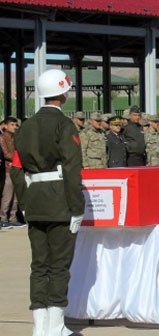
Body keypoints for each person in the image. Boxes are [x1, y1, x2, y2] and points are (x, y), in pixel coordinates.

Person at [10, 68, 85, 336]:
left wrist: (25, 201)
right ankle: (55, 327)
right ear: (62, 93)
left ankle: (39, 327)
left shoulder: (25, 126)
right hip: (60, 204)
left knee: (39, 265)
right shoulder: (64, 126)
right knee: (59, 265)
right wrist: (77, 208)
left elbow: (16, 169)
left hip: (35, 203)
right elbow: (73, 169)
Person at [0, 117, 21, 227]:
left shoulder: (15, 138)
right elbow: (6, 154)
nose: (14, 127)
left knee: (15, 197)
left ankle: (13, 218)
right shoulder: (2, 138)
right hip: (7, 170)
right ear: (5, 126)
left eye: (15, 125)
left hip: (16, 169)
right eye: (12, 124)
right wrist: (19, 158)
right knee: (7, 196)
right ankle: (3, 219)